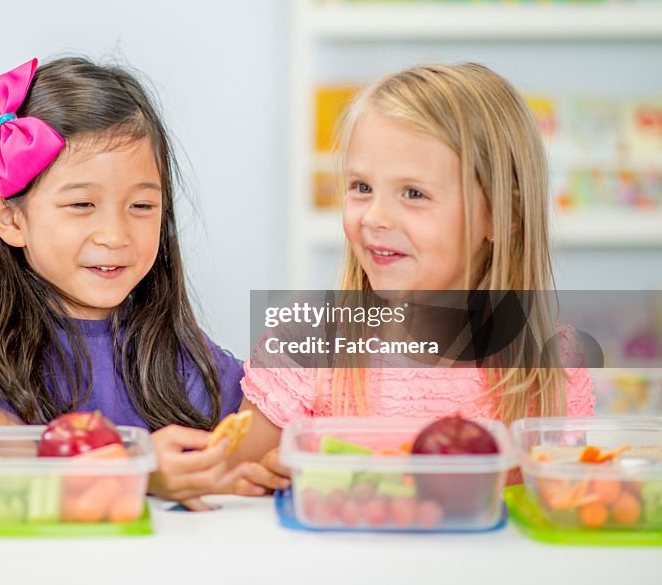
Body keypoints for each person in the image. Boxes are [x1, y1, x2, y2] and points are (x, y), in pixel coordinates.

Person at [230, 63, 595, 493]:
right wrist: (271, 478)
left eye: (414, 194)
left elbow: (565, 502)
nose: (375, 216)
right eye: (361, 187)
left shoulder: (553, 365)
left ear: (501, 216)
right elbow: (231, 485)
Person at [0, 57, 244, 509]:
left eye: (141, 206)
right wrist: (138, 470)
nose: (116, 235)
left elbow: (257, 444)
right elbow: (13, 479)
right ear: (10, 217)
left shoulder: (183, 358)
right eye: (81, 204)